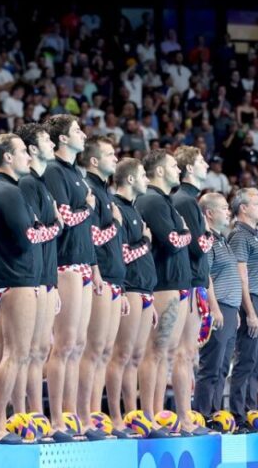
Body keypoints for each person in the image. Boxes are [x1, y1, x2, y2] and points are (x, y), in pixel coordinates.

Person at [0, 133, 47, 444]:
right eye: (22, 152)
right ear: (7, 157)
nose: (28, 157)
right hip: (17, 278)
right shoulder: (9, 193)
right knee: (16, 354)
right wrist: (52, 226)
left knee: (8, 353)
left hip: (8, 278)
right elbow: (27, 237)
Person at [42, 115, 98, 437]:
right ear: (62, 139)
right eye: (77, 130)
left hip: (82, 263)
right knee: (63, 345)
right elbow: (63, 217)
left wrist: (93, 267)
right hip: (64, 263)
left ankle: (75, 414)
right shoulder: (54, 170)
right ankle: (57, 417)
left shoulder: (76, 173)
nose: (83, 133)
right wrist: (89, 207)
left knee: (78, 344)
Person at [136, 149, 191, 419]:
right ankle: (149, 414)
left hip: (176, 282)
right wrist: (185, 232)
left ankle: (158, 412)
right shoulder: (151, 200)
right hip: (163, 282)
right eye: (173, 165)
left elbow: (181, 237)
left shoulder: (164, 201)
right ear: (159, 171)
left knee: (165, 354)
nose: (178, 169)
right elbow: (173, 240)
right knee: (156, 351)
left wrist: (183, 233)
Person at [78, 137, 126, 429]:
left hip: (111, 277)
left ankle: (95, 414)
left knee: (104, 352)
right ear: (94, 161)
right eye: (110, 154)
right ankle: (84, 415)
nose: (115, 158)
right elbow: (92, 238)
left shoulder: (103, 192)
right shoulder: (91, 189)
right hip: (99, 275)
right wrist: (117, 223)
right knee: (93, 350)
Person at [105, 157, 155, 430]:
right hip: (130, 287)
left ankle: (132, 413)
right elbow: (122, 254)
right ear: (132, 179)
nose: (147, 180)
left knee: (135, 356)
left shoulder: (134, 209)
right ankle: (114, 415)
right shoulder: (118, 208)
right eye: (143, 176)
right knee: (120, 354)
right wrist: (146, 241)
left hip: (144, 289)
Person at [15, 123, 60, 421]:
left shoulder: (42, 183)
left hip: (45, 276)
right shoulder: (28, 184)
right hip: (31, 276)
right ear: (32, 149)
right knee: (25, 349)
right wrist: (57, 222)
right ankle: (21, 412)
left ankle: (35, 411)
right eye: (46, 139)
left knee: (40, 348)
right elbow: (34, 232)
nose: (52, 143)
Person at [168, 146, 212, 432]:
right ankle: (183, 417)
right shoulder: (185, 201)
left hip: (194, 282)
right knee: (184, 353)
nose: (206, 165)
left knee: (188, 353)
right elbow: (199, 246)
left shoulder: (190, 200)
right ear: (188, 169)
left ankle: (186, 415)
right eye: (200, 161)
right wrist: (207, 232)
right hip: (190, 282)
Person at [227, 186, 258, 424]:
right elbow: (240, 275)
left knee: (256, 362)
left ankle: (250, 409)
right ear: (243, 208)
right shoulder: (239, 235)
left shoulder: (254, 234)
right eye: (256, 204)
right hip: (252, 302)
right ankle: (238, 413)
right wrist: (250, 312)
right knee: (246, 360)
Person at [193, 191, 238, 416]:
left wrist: (235, 309)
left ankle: (216, 413)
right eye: (223, 208)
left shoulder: (222, 238)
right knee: (211, 366)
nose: (228, 212)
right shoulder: (207, 239)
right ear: (209, 213)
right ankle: (203, 415)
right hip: (217, 307)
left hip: (230, 308)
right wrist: (215, 309)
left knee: (222, 369)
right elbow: (205, 275)